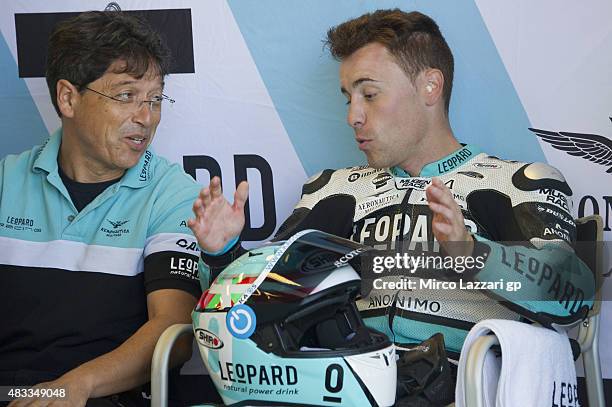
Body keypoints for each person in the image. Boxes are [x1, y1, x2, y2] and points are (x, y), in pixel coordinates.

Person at [188, 9, 595, 405]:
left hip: (462, 392)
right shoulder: (331, 190)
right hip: (334, 392)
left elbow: (573, 291)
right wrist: (222, 254)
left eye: (369, 94)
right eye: (348, 98)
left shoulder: (517, 182)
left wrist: (473, 254)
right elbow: (255, 315)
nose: (353, 115)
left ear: (430, 87)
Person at [0, 11, 203, 407]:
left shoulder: (173, 193)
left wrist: (78, 386)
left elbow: (173, 332)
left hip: (106, 396)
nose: (146, 118)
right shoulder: (6, 181)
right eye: (126, 95)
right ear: (68, 98)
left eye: (155, 99)